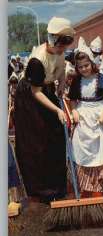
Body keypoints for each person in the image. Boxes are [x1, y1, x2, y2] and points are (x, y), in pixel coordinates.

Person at [14, 17, 75, 203]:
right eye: (61, 45)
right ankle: (42, 189)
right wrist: (57, 110)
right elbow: (35, 92)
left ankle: (57, 185)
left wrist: (62, 85)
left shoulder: (60, 51)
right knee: (38, 141)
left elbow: (62, 69)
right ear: (53, 39)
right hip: (30, 99)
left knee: (56, 135)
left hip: (46, 91)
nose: (63, 49)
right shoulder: (37, 60)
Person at [68, 39, 103, 196]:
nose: (84, 69)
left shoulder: (102, 79)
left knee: (102, 151)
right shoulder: (76, 80)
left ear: (92, 63)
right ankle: (86, 184)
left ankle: (98, 183)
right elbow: (72, 99)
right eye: (80, 67)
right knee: (82, 151)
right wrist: (74, 111)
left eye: (86, 65)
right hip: (83, 115)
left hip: (100, 114)